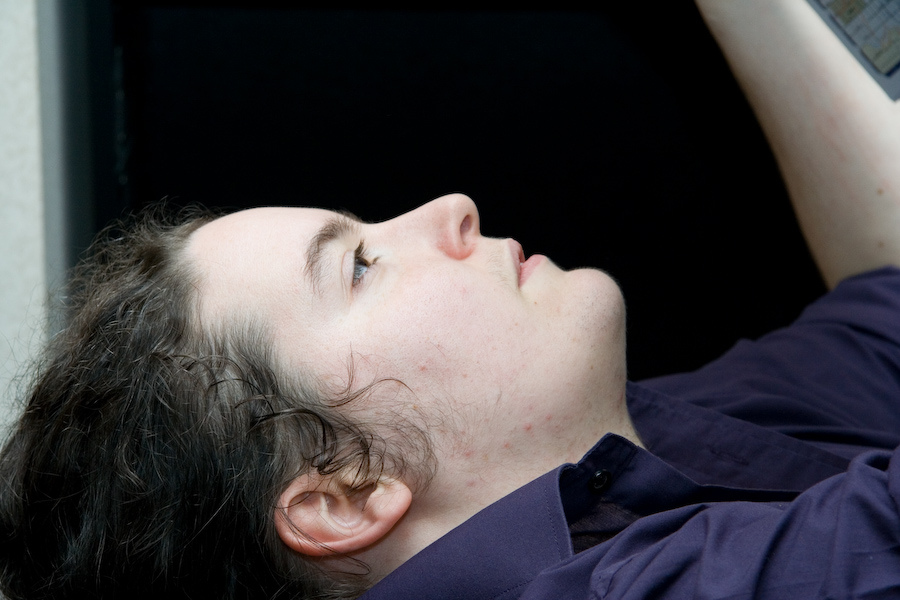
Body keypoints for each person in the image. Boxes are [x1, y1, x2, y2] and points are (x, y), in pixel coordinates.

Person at [2, 0, 900, 599]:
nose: (452, 208)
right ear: (346, 496)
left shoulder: (634, 442)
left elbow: (889, 291)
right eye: (359, 266)